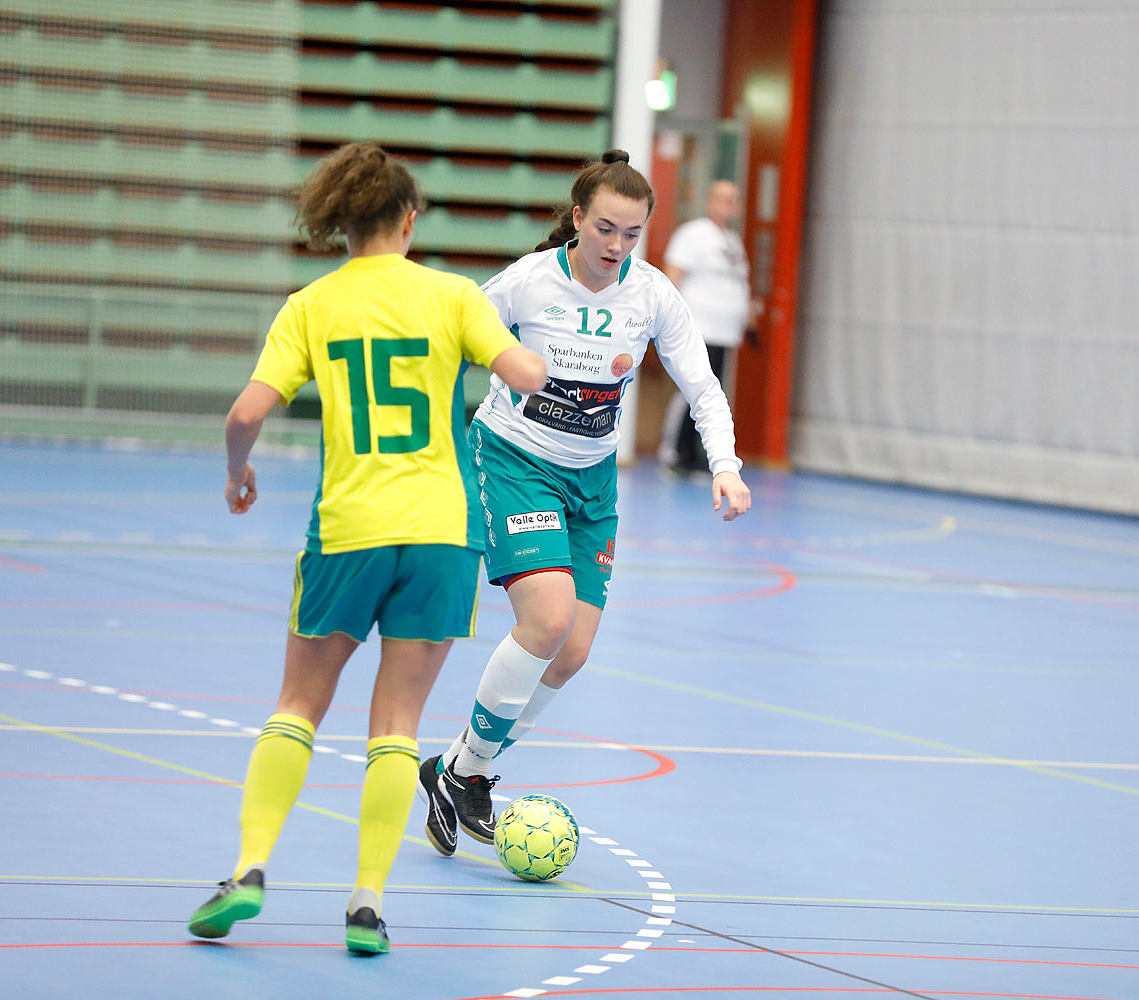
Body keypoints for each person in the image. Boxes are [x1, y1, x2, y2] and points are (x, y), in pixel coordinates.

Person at [185, 142, 545, 953]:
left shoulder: (311, 306)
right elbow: (523, 375)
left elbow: (244, 415)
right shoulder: (453, 296)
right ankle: (368, 905)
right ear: (409, 219)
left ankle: (247, 871)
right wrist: (540, 352)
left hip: (348, 530)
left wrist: (238, 475)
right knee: (397, 727)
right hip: (443, 535)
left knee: (298, 707)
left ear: (340, 223)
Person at [419, 150, 752, 855]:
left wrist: (724, 466)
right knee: (546, 618)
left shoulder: (654, 295)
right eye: (604, 228)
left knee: (571, 653)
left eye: (632, 234)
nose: (616, 246)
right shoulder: (530, 282)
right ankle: (463, 771)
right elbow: (451, 335)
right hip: (516, 461)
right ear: (576, 218)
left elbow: (702, 385)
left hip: (591, 482)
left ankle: (459, 770)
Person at [658, 179, 758, 476]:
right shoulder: (693, 234)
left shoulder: (732, 241)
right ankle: (673, 450)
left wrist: (748, 319)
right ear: (709, 201)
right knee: (691, 390)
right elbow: (673, 275)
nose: (728, 205)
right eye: (722, 198)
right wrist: (667, 319)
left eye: (733, 199)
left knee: (713, 393)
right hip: (699, 328)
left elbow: (738, 284)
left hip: (725, 333)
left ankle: (696, 453)